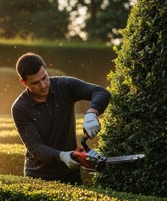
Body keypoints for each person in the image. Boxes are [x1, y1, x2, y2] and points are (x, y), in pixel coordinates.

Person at [11, 52, 111, 185]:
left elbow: (101, 92)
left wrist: (92, 113)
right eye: (35, 82)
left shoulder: (64, 85)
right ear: (23, 82)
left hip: (71, 172)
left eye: (44, 78)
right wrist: (62, 156)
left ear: (46, 71)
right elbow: (35, 147)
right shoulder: (20, 108)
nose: (43, 85)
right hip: (37, 175)